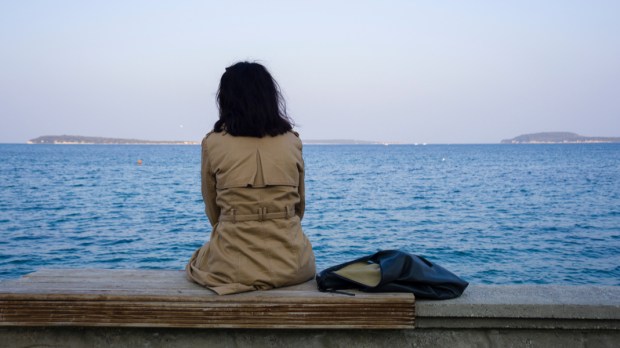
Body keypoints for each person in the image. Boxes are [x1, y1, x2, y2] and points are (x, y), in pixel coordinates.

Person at [186, 62, 316, 295]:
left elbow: (213, 211)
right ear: (270, 97)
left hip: (232, 267)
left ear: (226, 99)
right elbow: (299, 208)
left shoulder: (213, 143)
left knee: (198, 259)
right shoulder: (292, 142)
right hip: (293, 265)